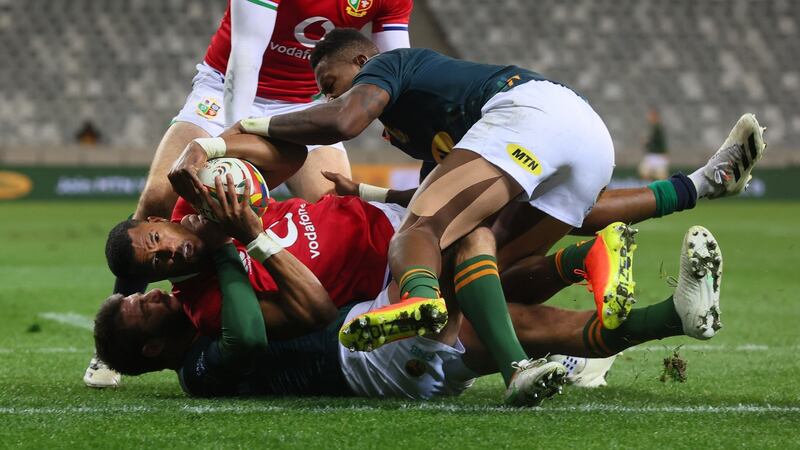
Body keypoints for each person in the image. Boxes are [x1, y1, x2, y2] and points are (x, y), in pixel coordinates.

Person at [168, 29, 765, 402]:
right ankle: (698, 187)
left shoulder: (387, 69)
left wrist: (241, 127)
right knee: (488, 250)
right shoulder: (408, 130)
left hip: (532, 110)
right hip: (583, 140)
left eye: (332, 81)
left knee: (424, 234)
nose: (331, 95)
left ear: (362, 58)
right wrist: (367, 192)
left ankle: (420, 300)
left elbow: (343, 122)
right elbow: (447, 188)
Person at [96, 200, 725, 402]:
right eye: (143, 306)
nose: (157, 295)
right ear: (149, 348)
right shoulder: (197, 371)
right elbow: (248, 337)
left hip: (377, 336)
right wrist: (228, 247)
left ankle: (660, 306)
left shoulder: (194, 314)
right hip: (368, 359)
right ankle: (617, 282)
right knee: (487, 276)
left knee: (503, 300)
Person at [88, 0, 414, 388]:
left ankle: (333, 326)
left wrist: (409, 123)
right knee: (159, 196)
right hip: (227, 86)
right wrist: (224, 149)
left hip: (303, 99)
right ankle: (117, 334)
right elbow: (245, 53)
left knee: (333, 198)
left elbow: (395, 61)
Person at [638, 108, 670, 181]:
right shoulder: (652, 127)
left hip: (658, 155)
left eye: (651, 116)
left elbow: (659, 142)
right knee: (644, 172)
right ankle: (650, 185)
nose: (648, 117)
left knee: (661, 176)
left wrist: (646, 141)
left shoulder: (658, 128)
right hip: (652, 155)